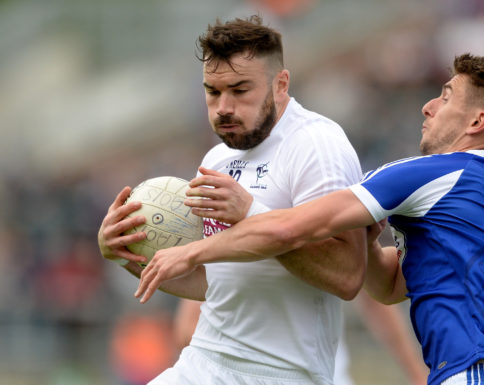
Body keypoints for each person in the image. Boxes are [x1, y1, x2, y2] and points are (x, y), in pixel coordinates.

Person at [135, 53, 484, 385]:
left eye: (447, 97)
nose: (429, 106)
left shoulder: (435, 172)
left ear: (476, 122)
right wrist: (363, 242)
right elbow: (392, 285)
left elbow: (291, 226)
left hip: (478, 371)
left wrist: (198, 247)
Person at [99, 16, 367, 385]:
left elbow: (348, 275)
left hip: (282, 374)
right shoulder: (217, 160)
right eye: (213, 91)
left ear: (281, 84)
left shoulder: (317, 146)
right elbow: (213, 284)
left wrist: (250, 214)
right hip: (204, 361)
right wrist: (125, 251)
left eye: (240, 91)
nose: (223, 106)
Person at [173, 292, 428, 385]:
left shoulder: (329, 206)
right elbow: (187, 330)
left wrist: (417, 374)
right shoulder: (225, 232)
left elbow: (372, 295)